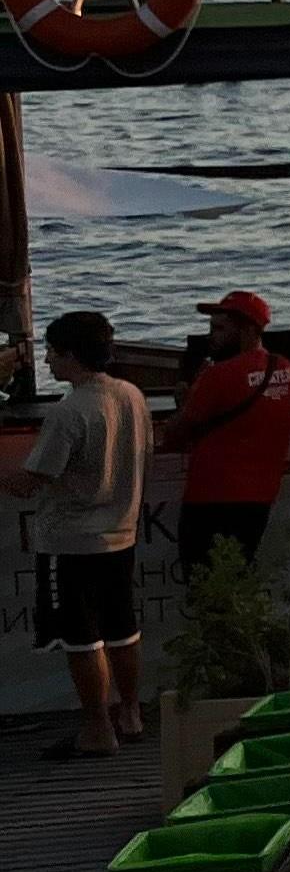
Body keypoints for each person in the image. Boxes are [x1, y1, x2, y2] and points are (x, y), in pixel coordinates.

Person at [5, 311, 150, 757]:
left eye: (52, 351)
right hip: (121, 533)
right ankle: (130, 713)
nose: (47, 360)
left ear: (71, 355)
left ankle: (97, 729)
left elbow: (31, 482)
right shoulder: (131, 395)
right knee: (122, 629)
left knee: (82, 639)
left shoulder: (69, 412)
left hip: (70, 541)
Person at [160, 290, 290, 575]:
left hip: (211, 500)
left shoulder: (218, 376)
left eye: (220, 329)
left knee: (205, 585)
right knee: (237, 580)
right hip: (260, 498)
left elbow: (174, 435)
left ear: (248, 330)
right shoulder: (287, 371)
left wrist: (184, 401)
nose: (211, 337)